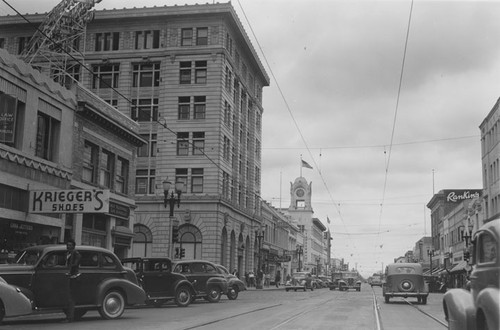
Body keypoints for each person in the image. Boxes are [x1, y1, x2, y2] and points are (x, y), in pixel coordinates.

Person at [64, 239, 81, 322]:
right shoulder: (68, 253)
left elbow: (75, 264)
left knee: (71, 297)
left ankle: (70, 317)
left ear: (73, 246)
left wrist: (69, 271)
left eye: (70, 245)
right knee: (68, 297)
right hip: (69, 276)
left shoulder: (76, 254)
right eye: (67, 245)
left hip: (74, 277)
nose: (68, 246)